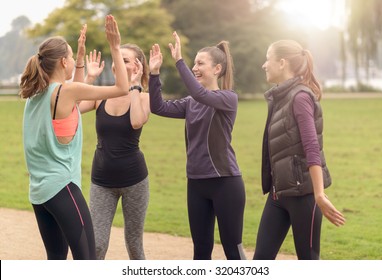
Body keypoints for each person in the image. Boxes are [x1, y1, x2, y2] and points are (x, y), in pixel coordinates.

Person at [20, 15, 128, 260]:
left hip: (40, 193)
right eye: (70, 56)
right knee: (87, 260)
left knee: (57, 259)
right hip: (62, 187)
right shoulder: (66, 92)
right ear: (62, 62)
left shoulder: (35, 95)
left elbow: (72, 101)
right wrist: (115, 47)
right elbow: (122, 88)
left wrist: (78, 59)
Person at [148, 32, 246, 260]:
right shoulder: (191, 103)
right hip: (196, 184)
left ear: (217, 69)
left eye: (200, 63)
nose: (195, 67)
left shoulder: (227, 98)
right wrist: (154, 74)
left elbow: (200, 93)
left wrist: (179, 61)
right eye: (194, 63)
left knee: (233, 250)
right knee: (200, 252)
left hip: (225, 183)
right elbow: (158, 107)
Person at [253, 40, 346, 260]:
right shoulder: (280, 97)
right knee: (260, 261)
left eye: (268, 58)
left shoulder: (300, 97)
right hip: (279, 194)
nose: (264, 65)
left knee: (308, 261)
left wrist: (319, 195)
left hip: (304, 197)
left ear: (282, 63)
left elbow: (311, 147)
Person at [78, 43, 150, 260]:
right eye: (116, 57)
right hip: (101, 181)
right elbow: (72, 109)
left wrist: (136, 86)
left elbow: (137, 121)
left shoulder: (145, 98)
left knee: (134, 245)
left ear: (137, 66)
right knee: (97, 245)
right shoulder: (101, 94)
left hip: (134, 180)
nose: (118, 62)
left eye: (125, 59)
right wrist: (89, 79)